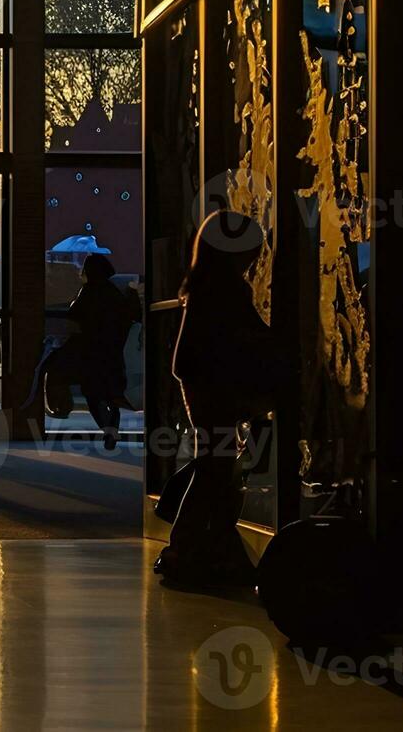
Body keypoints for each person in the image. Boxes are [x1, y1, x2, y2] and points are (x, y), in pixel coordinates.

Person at [156, 210, 280, 587]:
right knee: (216, 471)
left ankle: (199, 549)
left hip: (203, 391)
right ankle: (193, 548)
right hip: (217, 392)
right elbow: (252, 335)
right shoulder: (228, 290)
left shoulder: (201, 287)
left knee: (215, 467)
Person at [66, 254, 142, 450]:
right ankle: (112, 427)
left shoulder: (89, 291)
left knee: (92, 393)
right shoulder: (114, 293)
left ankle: (108, 429)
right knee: (111, 393)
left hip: (91, 351)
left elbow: (74, 313)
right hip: (114, 351)